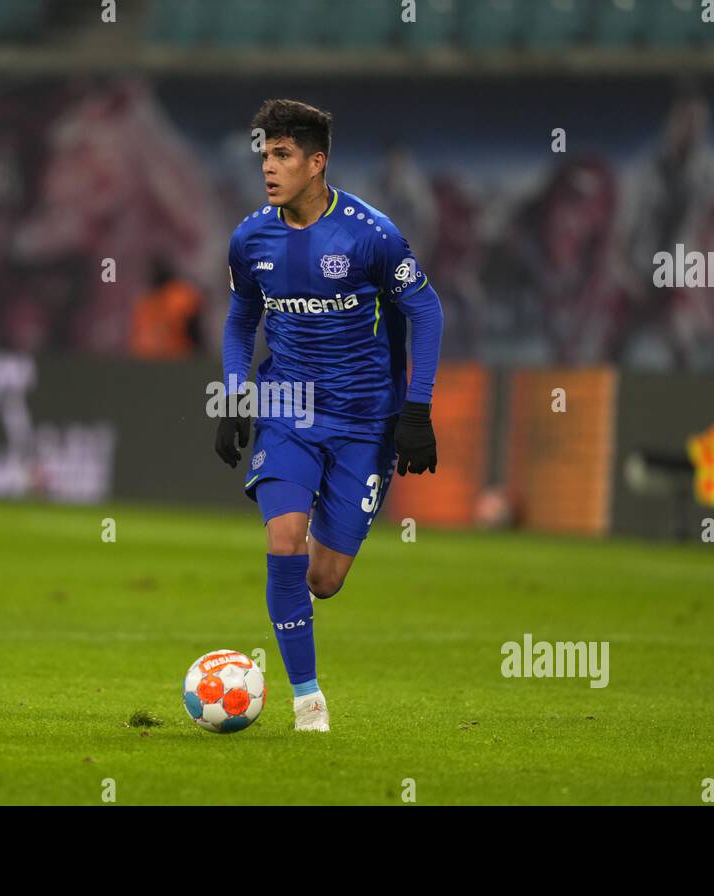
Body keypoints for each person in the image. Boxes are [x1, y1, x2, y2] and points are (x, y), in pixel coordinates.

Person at [213, 100, 443, 732]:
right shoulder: (250, 237)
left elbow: (427, 313)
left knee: (323, 578)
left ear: (317, 163)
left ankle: (327, 518)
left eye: (282, 155)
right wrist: (236, 397)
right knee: (283, 540)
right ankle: (307, 701)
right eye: (264, 154)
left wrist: (416, 410)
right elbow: (240, 321)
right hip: (287, 406)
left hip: (365, 419)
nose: (269, 167)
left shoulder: (372, 235)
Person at [128, 256, 203, 359]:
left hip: (178, 358)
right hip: (149, 360)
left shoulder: (181, 296)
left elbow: (195, 331)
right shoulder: (145, 302)